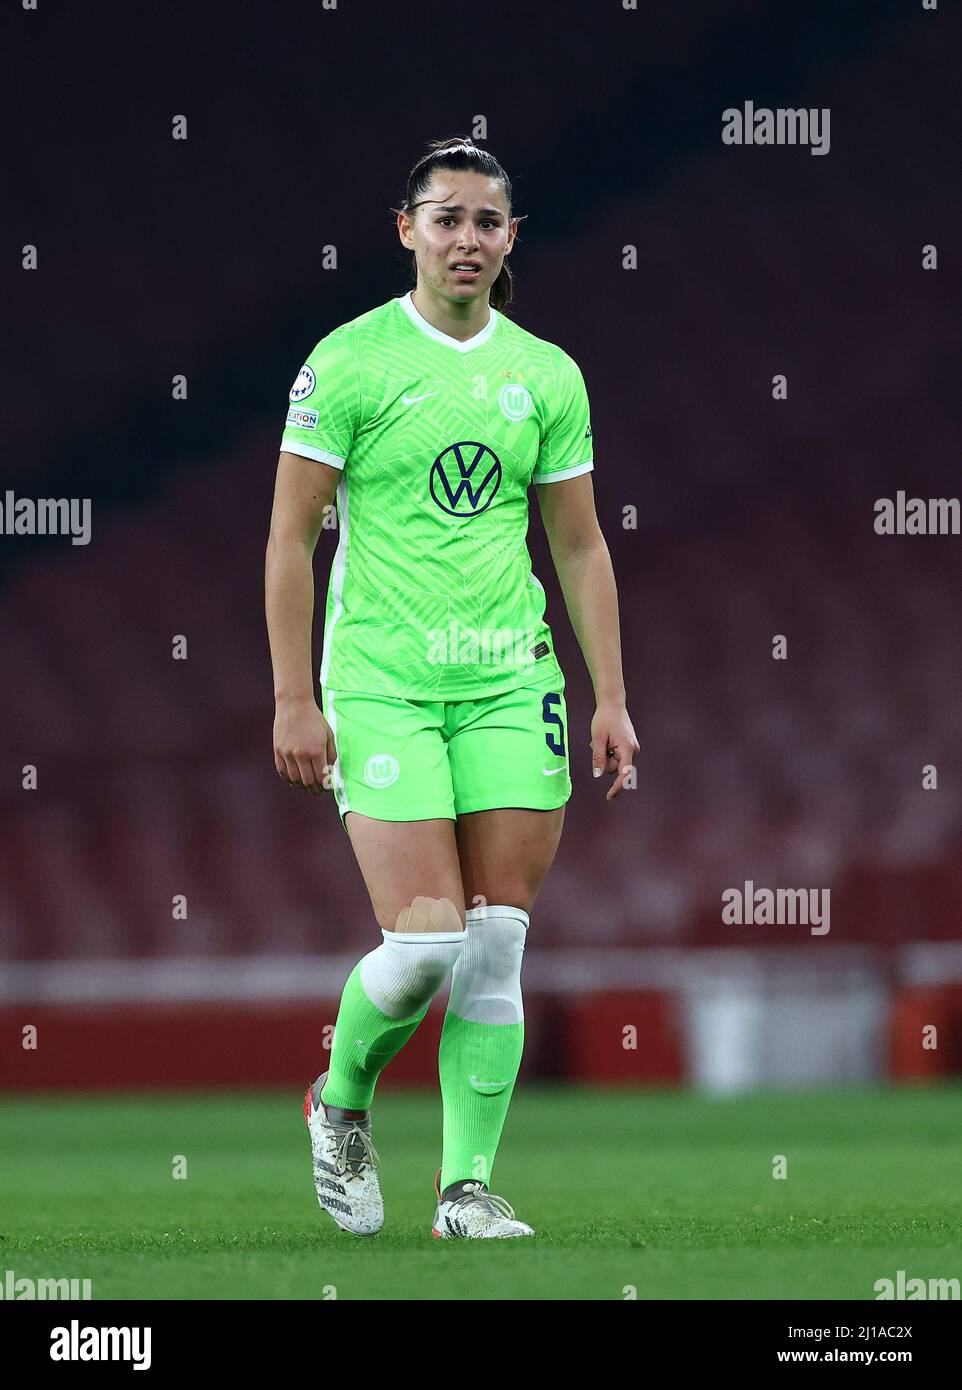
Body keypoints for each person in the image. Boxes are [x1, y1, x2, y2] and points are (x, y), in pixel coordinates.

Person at [265, 135, 638, 1239]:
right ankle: (338, 1105)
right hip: (381, 680)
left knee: (497, 938)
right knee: (425, 941)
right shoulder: (347, 364)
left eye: (485, 222)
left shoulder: (546, 374)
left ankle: (464, 1189)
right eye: (445, 218)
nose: (465, 238)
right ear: (405, 229)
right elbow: (291, 534)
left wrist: (609, 694)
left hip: (507, 679)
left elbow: (577, 546)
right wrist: (295, 695)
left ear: (508, 238)